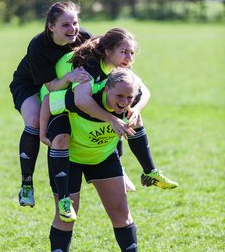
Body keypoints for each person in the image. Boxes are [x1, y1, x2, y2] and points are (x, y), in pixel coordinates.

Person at [40, 28, 178, 223]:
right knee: (65, 137)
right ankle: (45, 191)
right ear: (107, 52)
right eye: (124, 52)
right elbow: (79, 101)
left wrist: (136, 109)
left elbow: (144, 90)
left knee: (132, 117)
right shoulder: (89, 66)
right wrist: (112, 119)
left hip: (76, 103)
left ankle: (150, 172)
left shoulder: (119, 68)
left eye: (131, 53)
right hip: (53, 95)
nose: (129, 57)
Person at [43, 67, 154, 252]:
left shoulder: (133, 100)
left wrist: (136, 109)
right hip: (69, 158)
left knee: (121, 212)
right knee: (66, 215)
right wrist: (42, 132)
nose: (124, 102)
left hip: (103, 157)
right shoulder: (84, 98)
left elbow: (144, 95)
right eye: (119, 96)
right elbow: (48, 100)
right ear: (106, 89)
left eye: (129, 97)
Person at [9, 1, 92, 208]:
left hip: (61, 85)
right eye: (65, 25)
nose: (73, 29)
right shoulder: (38, 45)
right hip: (30, 85)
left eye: (75, 23)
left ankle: (106, 170)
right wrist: (71, 76)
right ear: (51, 27)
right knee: (35, 121)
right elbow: (52, 87)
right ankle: (26, 185)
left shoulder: (85, 38)